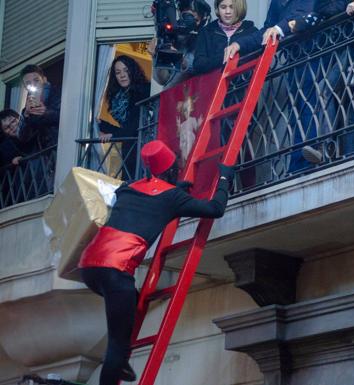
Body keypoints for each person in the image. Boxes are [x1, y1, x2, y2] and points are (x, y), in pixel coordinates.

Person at [78, 140, 234, 385]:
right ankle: (118, 362)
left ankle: (121, 363)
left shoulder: (127, 189)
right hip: (116, 268)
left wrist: (176, 188)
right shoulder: (172, 197)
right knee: (116, 345)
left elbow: (147, 200)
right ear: (172, 169)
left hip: (88, 265)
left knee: (130, 305)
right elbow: (215, 208)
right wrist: (225, 179)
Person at [98, 55, 151, 180]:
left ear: (132, 71)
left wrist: (112, 136)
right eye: (118, 72)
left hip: (143, 146)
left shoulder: (142, 91)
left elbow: (135, 123)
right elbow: (126, 127)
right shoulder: (118, 97)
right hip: (130, 148)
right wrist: (100, 123)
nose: (122, 75)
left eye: (126, 70)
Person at [151, 0, 212, 87]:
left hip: (193, 96)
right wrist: (156, 56)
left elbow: (206, 70)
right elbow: (162, 80)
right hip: (169, 97)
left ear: (203, 19)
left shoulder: (207, 40)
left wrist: (182, 62)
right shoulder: (171, 38)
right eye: (187, 15)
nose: (189, 21)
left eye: (194, 18)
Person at [193, 0, 258, 74]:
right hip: (214, 83)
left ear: (240, 8)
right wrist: (224, 57)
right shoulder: (206, 32)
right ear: (217, 9)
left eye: (232, 7)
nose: (227, 11)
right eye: (223, 7)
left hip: (244, 84)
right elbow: (198, 65)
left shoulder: (252, 32)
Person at [19, 64, 61, 152]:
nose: (33, 85)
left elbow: (67, 117)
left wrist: (46, 112)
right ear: (25, 87)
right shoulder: (27, 110)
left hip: (60, 148)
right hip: (41, 157)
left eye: (36, 80)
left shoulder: (58, 93)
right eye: (28, 83)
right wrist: (26, 115)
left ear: (44, 80)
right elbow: (22, 138)